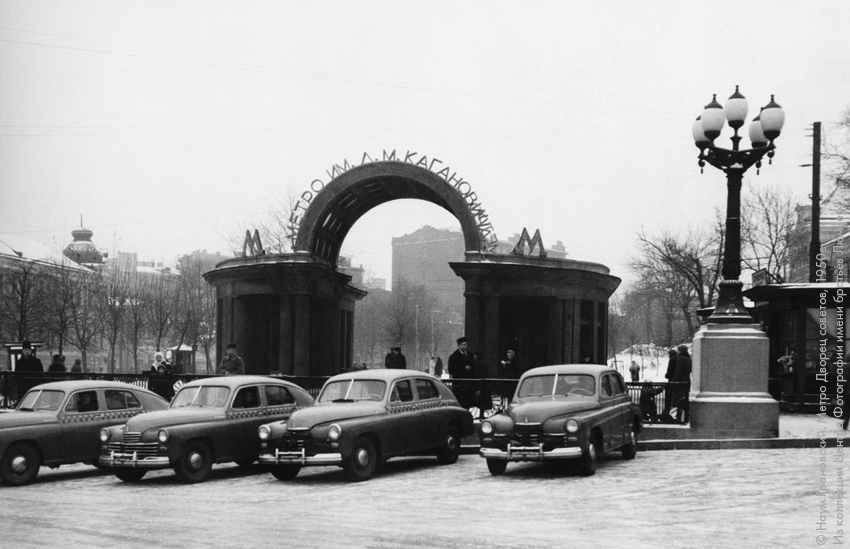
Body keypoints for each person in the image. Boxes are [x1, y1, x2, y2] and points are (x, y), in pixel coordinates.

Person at [448, 337, 475, 408]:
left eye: (465, 344)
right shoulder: (453, 357)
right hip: (459, 383)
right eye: (462, 345)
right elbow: (451, 369)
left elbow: (474, 367)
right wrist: (463, 368)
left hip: (469, 383)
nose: (464, 346)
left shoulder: (470, 355)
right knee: (460, 401)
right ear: (459, 346)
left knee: (468, 402)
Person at [672, 345, 692, 424]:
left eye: (678, 350)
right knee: (685, 400)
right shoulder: (688, 359)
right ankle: (685, 417)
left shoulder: (681, 359)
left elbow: (678, 371)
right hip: (687, 380)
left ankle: (679, 417)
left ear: (681, 351)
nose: (677, 352)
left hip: (681, 382)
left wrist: (673, 381)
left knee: (678, 401)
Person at [661, 348, 678, 421]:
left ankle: (667, 414)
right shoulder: (678, 358)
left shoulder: (672, 359)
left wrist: (667, 375)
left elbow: (670, 370)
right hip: (677, 381)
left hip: (672, 380)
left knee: (669, 397)